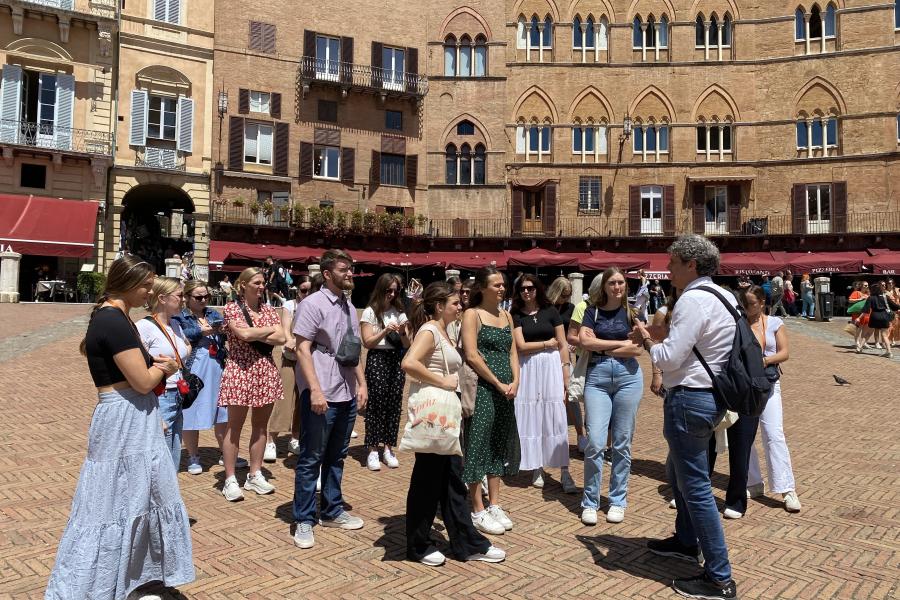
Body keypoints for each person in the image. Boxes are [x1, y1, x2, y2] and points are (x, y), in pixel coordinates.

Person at [46, 256, 194, 599]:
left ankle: (133, 578)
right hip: (124, 416)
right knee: (112, 502)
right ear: (125, 283)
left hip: (132, 415)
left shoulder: (119, 317)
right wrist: (168, 367)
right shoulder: (112, 320)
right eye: (145, 285)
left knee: (138, 496)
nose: (149, 291)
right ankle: (95, 584)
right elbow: (142, 381)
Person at [633, 234, 739, 599]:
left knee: (694, 488)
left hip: (690, 399)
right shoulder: (724, 296)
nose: (669, 270)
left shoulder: (693, 299)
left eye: (673, 263)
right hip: (710, 397)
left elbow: (670, 357)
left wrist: (647, 341)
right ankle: (685, 539)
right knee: (680, 476)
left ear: (691, 264)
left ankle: (719, 577)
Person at [401, 282, 507, 566]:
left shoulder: (444, 331)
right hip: (434, 415)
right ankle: (418, 545)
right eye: (455, 303)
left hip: (446, 417)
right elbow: (409, 362)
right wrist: (443, 381)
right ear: (439, 306)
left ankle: (466, 542)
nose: (461, 306)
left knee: (450, 482)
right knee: (427, 481)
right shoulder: (429, 331)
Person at [292, 250, 368, 549]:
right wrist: (315, 390)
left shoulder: (348, 306)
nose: (350, 273)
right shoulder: (312, 304)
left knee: (337, 456)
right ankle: (304, 519)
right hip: (323, 392)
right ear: (327, 274)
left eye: (351, 268)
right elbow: (302, 349)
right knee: (311, 457)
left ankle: (332, 509)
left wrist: (362, 385)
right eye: (343, 269)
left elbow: (351, 350)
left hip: (346, 391)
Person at [578, 267, 644, 525]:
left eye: (621, 283)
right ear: (604, 286)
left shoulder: (632, 313)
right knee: (595, 442)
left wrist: (602, 345)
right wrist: (619, 347)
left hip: (629, 378)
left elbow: (638, 349)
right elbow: (585, 343)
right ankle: (590, 501)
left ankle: (617, 500)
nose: (617, 287)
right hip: (597, 378)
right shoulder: (591, 311)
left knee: (622, 442)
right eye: (613, 283)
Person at [218, 267, 286, 502]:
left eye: (263, 282)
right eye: (256, 282)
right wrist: (266, 331)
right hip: (239, 370)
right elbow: (244, 336)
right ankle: (229, 479)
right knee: (234, 427)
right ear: (243, 285)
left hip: (264, 372)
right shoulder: (231, 308)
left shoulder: (268, 309)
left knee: (260, 427)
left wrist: (255, 331)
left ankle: (254, 473)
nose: (261, 286)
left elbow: (282, 337)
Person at [461, 266, 520, 536]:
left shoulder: (506, 315)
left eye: (503, 285)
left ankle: (495, 504)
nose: (501, 289)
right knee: (478, 444)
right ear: (482, 288)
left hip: (507, 389)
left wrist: (515, 381)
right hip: (484, 387)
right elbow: (472, 355)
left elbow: (512, 353)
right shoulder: (472, 315)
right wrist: (497, 383)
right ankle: (477, 509)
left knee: (498, 443)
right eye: (496, 285)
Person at [741, 285, 802, 513]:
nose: (749, 309)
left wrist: (763, 361)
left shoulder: (775, 323)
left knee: (774, 434)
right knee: (744, 436)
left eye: (752, 304)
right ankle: (753, 482)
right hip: (746, 386)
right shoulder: (740, 324)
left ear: (763, 302)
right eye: (745, 305)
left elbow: (784, 353)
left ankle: (787, 489)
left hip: (769, 383)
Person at [174, 280, 244, 475]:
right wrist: (199, 331)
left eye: (206, 296)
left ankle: (227, 453)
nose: (203, 300)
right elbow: (179, 336)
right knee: (191, 412)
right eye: (198, 297)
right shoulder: (180, 316)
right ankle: (193, 456)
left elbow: (227, 334)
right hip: (194, 369)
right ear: (187, 298)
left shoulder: (212, 313)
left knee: (223, 413)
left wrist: (223, 330)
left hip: (217, 367)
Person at [511, 275, 574, 492]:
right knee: (531, 416)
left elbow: (563, 343)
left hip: (552, 367)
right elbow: (520, 346)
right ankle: (536, 466)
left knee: (557, 415)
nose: (526, 292)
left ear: (538, 289)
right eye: (522, 289)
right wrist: (547, 344)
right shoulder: (516, 314)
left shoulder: (551, 312)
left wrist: (566, 370)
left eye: (530, 288)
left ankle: (565, 471)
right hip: (527, 367)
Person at [135, 277, 191, 470]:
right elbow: (137, 369)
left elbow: (185, 348)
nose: (183, 300)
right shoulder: (144, 327)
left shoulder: (175, 324)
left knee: (173, 455)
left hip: (177, 395)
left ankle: (168, 498)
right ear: (162, 298)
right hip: (160, 395)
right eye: (180, 295)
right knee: (159, 458)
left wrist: (175, 362)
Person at [360, 273, 411, 470]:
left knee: (394, 403)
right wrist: (384, 331)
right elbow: (367, 342)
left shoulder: (400, 311)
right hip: (378, 359)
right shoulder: (370, 312)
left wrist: (401, 332)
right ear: (381, 289)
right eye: (388, 290)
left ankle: (388, 447)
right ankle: (373, 449)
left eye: (395, 290)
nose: (392, 294)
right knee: (376, 404)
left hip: (396, 358)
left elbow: (408, 344)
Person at [266, 277, 312, 462]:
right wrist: (291, 342)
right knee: (284, 399)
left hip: (308, 359)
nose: (306, 294)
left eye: (310, 290)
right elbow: (285, 329)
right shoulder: (290, 305)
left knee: (303, 401)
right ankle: (271, 440)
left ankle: (295, 438)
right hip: (291, 357)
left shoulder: (314, 307)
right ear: (297, 291)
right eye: (303, 290)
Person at [566, 274, 606, 454]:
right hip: (588, 362)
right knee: (590, 404)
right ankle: (590, 441)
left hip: (610, 361)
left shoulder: (612, 307)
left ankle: (603, 444)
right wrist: (591, 343)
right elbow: (571, 337)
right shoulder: (583, 307)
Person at [862, 282, 900, 358]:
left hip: (874, 316)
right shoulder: (885, 297)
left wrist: (859, 317)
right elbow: (895, 306)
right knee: (885, 335)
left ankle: (859, 347)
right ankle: (889, 352)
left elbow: (866, 309)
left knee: (868, 333)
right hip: (884, 316)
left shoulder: (871, 297)